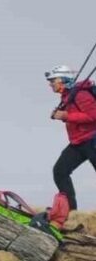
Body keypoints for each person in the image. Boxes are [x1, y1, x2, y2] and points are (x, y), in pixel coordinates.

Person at [47, 65, 96, 212]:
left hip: (92, 140)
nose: (50, 84)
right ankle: (70, 213)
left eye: (53, 80)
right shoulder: (68, 96)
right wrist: (62, 114)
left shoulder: (80, 94)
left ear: (62, 80)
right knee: (60, 171)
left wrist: (66, 116)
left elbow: (93, 115)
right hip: (79, 142)